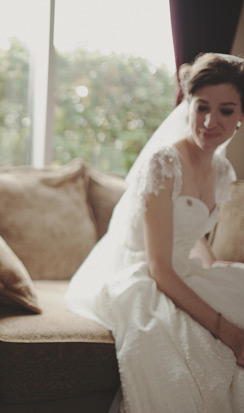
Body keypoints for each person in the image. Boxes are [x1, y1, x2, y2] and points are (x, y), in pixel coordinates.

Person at [65, 52, 244, 412]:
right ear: (188, 105)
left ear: (240, 115)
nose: (210, 121)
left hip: (180, 268)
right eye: (201, 107)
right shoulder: (164, 162)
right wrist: (226, 330)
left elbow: (189, 228)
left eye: (226, 110)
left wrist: (213, 264)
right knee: (195, 353)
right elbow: (159, 268)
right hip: (139, 272)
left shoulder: (223, 171)